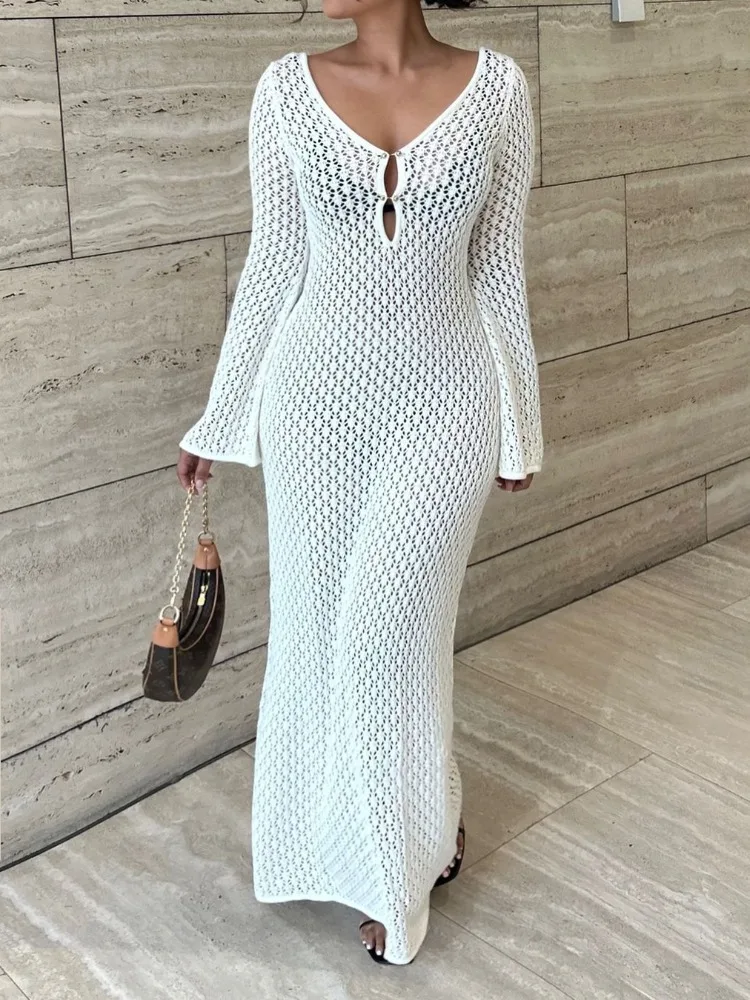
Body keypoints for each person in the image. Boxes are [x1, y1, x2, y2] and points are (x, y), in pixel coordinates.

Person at [177, 0, 543, 967]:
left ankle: (394, 877)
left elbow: (499, 270)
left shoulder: (499, 91)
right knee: (318, 632)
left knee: (387, 634)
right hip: (314, 409)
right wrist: (220, 417)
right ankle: (406, 826)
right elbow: (273, 265)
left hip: (447, 405)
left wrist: (520, 427)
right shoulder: (285, 92)